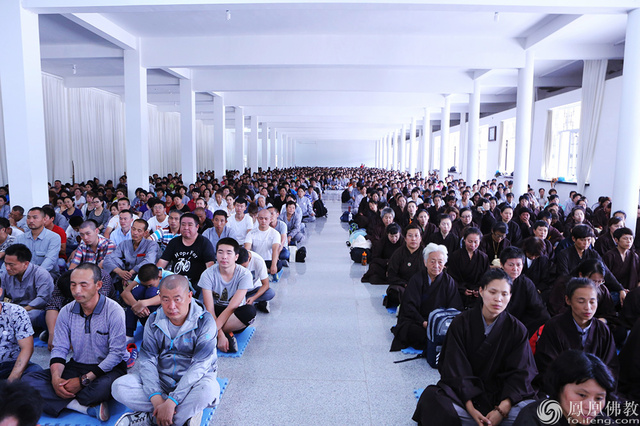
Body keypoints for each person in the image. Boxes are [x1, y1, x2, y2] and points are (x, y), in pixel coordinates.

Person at [413, 269, 537, 425]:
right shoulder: (461, 323)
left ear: (510, 296)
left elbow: (522, 372)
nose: (498, 299)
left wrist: (503, 408)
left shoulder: (517, 329)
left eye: (504, 294)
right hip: (465, 397)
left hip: (503, 397)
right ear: (481, 291)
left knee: (535, 412)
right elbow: (454, 368)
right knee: (433, 400)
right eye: (492, 292)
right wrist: (470, 408)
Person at [22, 263, 128, 421]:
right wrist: (56, 378)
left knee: (100, 389)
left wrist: (83, 381)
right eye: (73, 285)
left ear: (98, 285)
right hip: (77, 365)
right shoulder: (66, 311)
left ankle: (70, 399)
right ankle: (82, 407)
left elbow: (116, 354)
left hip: (107, 368)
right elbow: (59, 349)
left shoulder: (114, 311)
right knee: (26, 382)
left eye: (83, 285)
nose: (77, 291)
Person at [112, 274, 220, 426]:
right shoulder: (154, 320)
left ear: (189, 296)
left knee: (209, 390)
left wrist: (172, 401)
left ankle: (151, 418)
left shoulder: (205, 321)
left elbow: (200, 366)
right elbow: (147, 360)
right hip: (162, 381)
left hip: (193, 383)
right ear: (160, 298)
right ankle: (182, 417)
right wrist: (157, 400)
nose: (171, 306)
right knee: (119, 386)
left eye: (177, 299)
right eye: (165, 299)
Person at [535, 277, 619, 387]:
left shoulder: (602, 330)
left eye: (592, 302)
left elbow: (610, 366)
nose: (588, 308)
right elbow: (547, 365)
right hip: (562, 387)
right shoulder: (554, 326)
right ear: (568, 300)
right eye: (581, 301)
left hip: (595, 388)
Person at [390, 243, 462, 351]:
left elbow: (454, 307)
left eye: (440, 262)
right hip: (419, 321)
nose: (436, 265)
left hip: (440, 323)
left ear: (445, 264)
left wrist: (441, 324)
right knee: (414, 332)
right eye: (432, 261)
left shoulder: (449, 281)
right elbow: (409, 306)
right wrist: (423, 322)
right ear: (425, 262)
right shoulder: (416, 279)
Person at [515, 350, 616, 425]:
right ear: (559, 388)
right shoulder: (533, 419)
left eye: (599, 398)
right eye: (582, 395)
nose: (590, 407)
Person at [199, 238, 256, 353]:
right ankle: (225, 333)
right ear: (216, 255)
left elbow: (232, 307)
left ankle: (208, 333)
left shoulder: (244, 274)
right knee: (197, 309)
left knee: (250, 312)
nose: (224, 256)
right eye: (220, 252)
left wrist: (212, 333)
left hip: (234, 315)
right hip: (214, 312)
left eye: (229, 253)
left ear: (236, 257)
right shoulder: (207, 274)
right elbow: (209, 309)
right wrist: (220, 335)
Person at [157, 213, 216, 296]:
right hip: (175, 280)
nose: (186, 228)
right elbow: (162, 262)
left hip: (196, 283)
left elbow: (210, 267)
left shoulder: (204, 243)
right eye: (183, 225)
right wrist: (155, 275)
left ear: (197, 227)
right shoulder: (174, 242)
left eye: (190, 225)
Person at [0, 244, 54, 330]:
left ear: (26, 264)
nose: (7, 268)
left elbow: (43, 299)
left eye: (11, 265)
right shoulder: (5, 275)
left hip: (33, 310)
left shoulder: (41, 274)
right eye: (5, 264)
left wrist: (19, 311)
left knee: (32, 316)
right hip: (13, 309)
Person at [499, 247, 550, 336]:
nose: (515, 269)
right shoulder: (494, 281)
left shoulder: (526, 283)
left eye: (519, 265)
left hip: (521, 323)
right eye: (511, 265)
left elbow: (538, 308)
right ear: (502, 265)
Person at [104, 219, 158, 287]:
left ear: (145, 233)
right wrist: (120, 272)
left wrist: (131, 272)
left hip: (142, 278)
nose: (135, 233)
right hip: (123, 276)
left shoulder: (152, 245)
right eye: (133, 229)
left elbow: (149, 261)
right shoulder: (124, 244)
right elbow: (108, 259)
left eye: (139, 231)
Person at [446, 227, 489, 309]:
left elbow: (486, 277)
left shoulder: (483, 257)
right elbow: (452, 276)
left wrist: (478, 289)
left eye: (476, 242)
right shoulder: (456, 255)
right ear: (464, 240)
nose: (472, 245)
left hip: (477, 293)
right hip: (458, 291)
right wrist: (462, 289)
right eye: (470, 241)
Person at [0, 301, 42, 381]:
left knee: (36, 373)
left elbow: (27, 348)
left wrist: (11, 381)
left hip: (12, 364)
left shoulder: (16, 311)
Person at [14, 207, 61, 278]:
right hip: (23, 274)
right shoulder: (20, 238)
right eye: (28, 218)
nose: (31, 221)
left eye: (35, 218)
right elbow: (12, 258)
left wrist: (34, 276)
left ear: (44, 219)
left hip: (46, 274)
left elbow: (50, 260)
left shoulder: (54, 237)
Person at [385, 223, 424, 308]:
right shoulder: (398, 253)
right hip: (402, 285)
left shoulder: (426, 254)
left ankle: (407, 304)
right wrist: (404, 284)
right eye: (410, 236)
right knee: (395, 292)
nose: (413, 239)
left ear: (420, 238)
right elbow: (391, 275)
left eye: (416, 236)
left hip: (420, 286)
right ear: (405, 238)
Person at [244, 208, 282, 277]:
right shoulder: (251, 233)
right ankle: (265, 272)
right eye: (261, 218)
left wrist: (273, 265)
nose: (263, 221)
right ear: (257, 219)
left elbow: (275, 250)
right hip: (256, 260)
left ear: (270, 219)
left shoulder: (275, 233)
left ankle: (261, 272)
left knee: (278, 265)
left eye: (266, 219)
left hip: (269, 260)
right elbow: (247, 249)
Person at [237, 248, 274, 314]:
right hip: (238, 290)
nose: (242, 269)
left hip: (253, 289)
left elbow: (266, 284)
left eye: (244, 266)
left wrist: (253, 298)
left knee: (270, 293)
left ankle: (246, 301)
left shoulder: (258, 260)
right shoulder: (232, 260)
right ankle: (244, 301)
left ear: (249, 257)